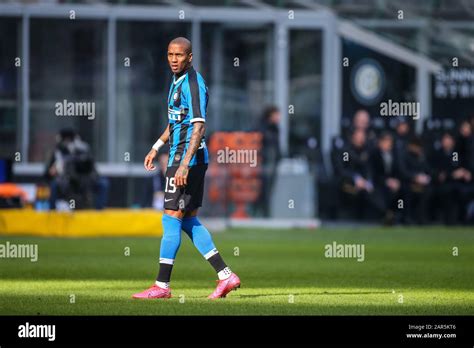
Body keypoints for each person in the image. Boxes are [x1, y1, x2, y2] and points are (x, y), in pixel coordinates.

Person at [132, 37, 240, 300]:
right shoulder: (177, 80)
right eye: (170, 54)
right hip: (186, 159)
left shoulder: (193, 83)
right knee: (188, 219)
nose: (173, 59)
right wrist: (156, 146)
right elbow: (176, 120)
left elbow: (199, 126)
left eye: (179, 55)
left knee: (170, 218)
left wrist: (182, 165)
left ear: (190, 57)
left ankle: (162, 286)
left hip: (186, 160)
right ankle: (226, 276)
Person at [45, 128, 108, 210]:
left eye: (70, 139)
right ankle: (52, 212)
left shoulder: (83, 149)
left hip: (85, 180)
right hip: (67, 181)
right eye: (65, 139)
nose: (68, 143)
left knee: (103, 184)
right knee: (54, 185)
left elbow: (91, 168)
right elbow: (48, 174)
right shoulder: (57, 153)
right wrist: (54, 170)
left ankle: (99, 212)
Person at [334, 128, 375, 220]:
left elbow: (369, 169)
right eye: (359, 136)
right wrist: (355, 179)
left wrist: (368, 181)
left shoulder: (367, 151)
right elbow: (341, 170)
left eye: (363, 136)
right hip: (347, 182)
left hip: (365, 184)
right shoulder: (345, 151)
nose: (361, 139)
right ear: (353, 137)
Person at [398, 136, 432, 224]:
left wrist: (424, 178)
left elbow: (427, 169)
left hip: (421, 184)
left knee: (428, 192)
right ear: (411, 146)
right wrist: (415, 177)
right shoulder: (403, 155)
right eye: (416, 147)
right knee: (406, 193)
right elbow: (402, 171)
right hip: (407, 182)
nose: (418, 149)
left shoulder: (421, 156)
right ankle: (406, 218)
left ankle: (421, 218)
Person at [370, 132, 402, 224]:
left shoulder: (395, 154)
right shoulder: (374, 154)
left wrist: (396, 181)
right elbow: (374, 173)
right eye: (386, 141)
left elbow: (399, 170)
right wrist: (386, 181)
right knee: (380, 193)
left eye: (389, 142)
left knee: (402, 190)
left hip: (394, 182)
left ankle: (398, 216)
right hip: (379, 183)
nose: (388, 144)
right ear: (380, 142)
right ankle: (386, 214)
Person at [256, 106, 281, 217]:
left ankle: (266, 211)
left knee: (269, 188)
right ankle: (262, 212)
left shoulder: (276, 128)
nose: (278, 117)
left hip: (273, 162)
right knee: (263, 188)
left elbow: (277, 147)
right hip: (264, 162)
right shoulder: (262, 127)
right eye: (276, 114)